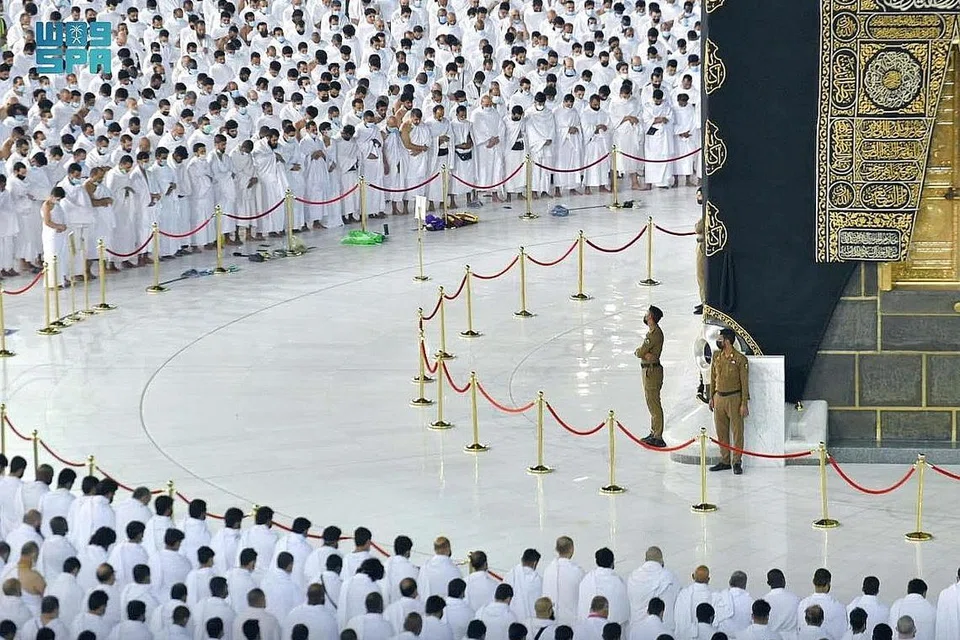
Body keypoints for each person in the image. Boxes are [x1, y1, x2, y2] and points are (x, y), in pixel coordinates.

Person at [709, 328, 750, 475]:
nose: (718, 341)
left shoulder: (740, 359)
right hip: (719, 397)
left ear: (727, 341)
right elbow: (713, 377)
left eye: (720, 339)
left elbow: (744, 383)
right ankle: (725, 460)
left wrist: (744, 403)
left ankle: (737, 461)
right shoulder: (717, 357)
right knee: (721, 431)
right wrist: (711, 396)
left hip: (734, 398)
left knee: (737, 432)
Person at [635, 305, 666, 448]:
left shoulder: (654, 335)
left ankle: (658, 435)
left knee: (654, 403)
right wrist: (644, 353)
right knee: (650, 402)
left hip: (652, 372)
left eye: (647, 314)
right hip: (648, 371)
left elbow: (641, 351)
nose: (645, 315)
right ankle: (653, 432)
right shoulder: (652, 333)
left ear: (651, 318)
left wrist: (640, 352)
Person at [694, 187, 705, 315]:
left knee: (702, 275)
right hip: (700, 243)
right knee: (699, 277)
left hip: (704, 245)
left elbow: (699, 227)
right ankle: (703, 301)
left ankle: (705, 302)